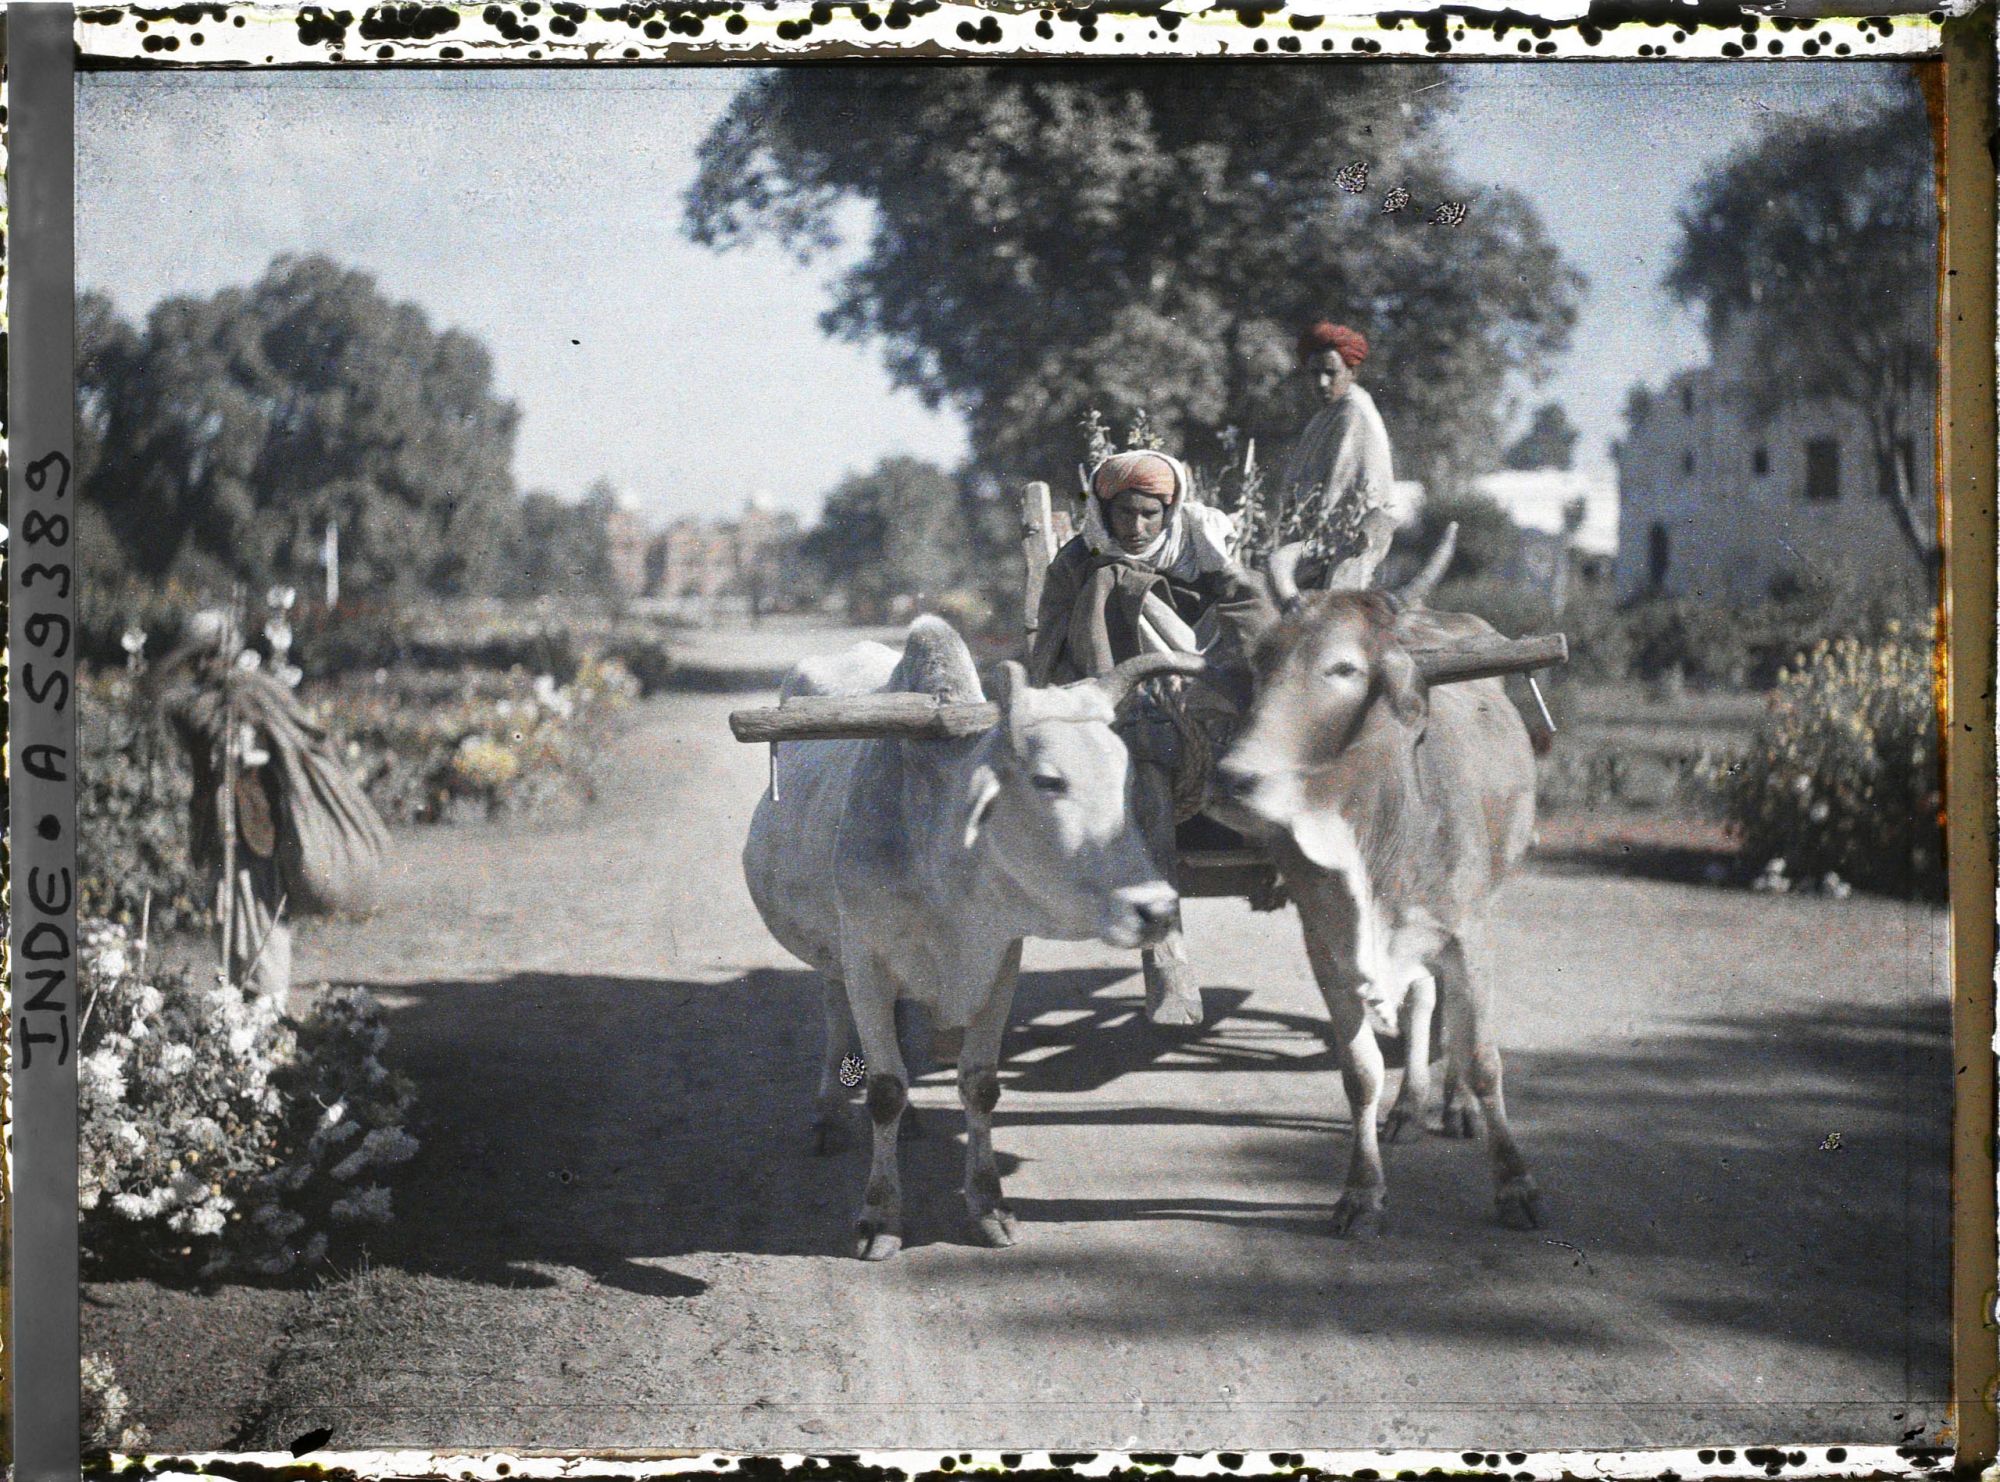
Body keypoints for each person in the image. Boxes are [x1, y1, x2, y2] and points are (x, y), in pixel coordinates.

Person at [1029, 450, 1269, 1027]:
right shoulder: (1080, 561)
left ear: (1171, 511)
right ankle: (1168, 961)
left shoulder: (1201, 547)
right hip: (1120, 707)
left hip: (1204, 693)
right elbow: (1048, 652)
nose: (1135, 528)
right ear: (1103, 513)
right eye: (1123, 515)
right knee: (1111, 581)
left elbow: (1252, 615)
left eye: (1149, 515)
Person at [1270, 319, 1400, 587]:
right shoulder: (1327, 415)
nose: (1321, 382)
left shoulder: (1354, 414)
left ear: (1352, 372)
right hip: (1312, 551)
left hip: (1337, 561)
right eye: (1314, 373)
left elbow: (1338, 494)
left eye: (1331, 372)